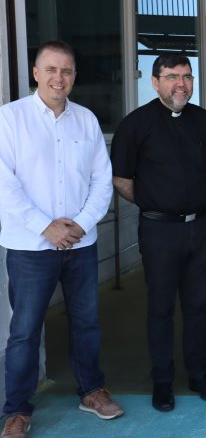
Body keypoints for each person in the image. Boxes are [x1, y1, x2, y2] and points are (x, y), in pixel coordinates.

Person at [0, 40, 123, 437]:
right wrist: (46, 226)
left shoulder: (86, 121)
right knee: (24, 331)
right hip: (30, 248)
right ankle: (17, 410)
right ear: (35, 74)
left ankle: (91, 391)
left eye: (67, 70)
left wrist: (82, 225)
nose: (59, 77)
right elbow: (5, 185)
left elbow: (101, 181)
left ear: (74, 76)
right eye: (51, 69)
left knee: (87, 323)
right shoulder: (9, 119)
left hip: (81, 246)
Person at [110, 53, 206, 412]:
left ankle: (199, 374)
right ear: (155, 81)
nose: (181, 83)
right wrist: (157, 202)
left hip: (201, 228)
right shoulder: (135, 125)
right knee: (160, 308)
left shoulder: (205, 122)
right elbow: (122, 181)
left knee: (197, 306)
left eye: (187, 76)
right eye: (173, 76)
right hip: (159, 230)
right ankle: (162, 381)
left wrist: (188, 203)